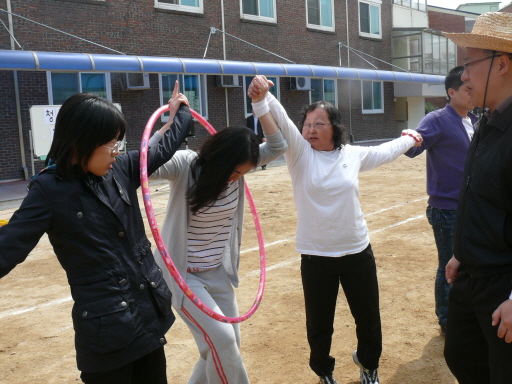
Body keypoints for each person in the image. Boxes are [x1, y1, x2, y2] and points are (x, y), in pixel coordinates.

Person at [0, 81, 193, 383]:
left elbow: (163, 146)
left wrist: (179, 112)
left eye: (120, 143)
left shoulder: (121, 169)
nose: (118, 151)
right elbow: (8, 247)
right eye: (112, 144)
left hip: (147, 320)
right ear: (82, 142)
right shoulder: (48, 190)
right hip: (107, 336)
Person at [248, 75, 422, 384]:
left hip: (357, 250)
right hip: (316, 256)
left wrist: (410, 138)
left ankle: (368, 365)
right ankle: (324, 371)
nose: (311, 129)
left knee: (368, 317)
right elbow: (283, 121)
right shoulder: (299, 154)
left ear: (335, 127)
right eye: (308, 124)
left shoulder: (351, 155)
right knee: (319, 324)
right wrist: (261, 99)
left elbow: (385, 151)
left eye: (319, 124)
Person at [149, 107, 287, 383]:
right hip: (183, 275)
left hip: (216, 273)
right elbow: (147, 165)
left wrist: (260, 106)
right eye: (234, 171)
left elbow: (277, 145)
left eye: (242, 173)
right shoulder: (187, 165)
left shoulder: (240, 168)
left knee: (227, 343)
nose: (236, 178)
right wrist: (168, 126)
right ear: (222, 157)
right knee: (222, 341)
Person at [443, 12, 512, 384]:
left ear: (502, 63)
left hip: (504, 284)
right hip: (472, 273)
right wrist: (460, 253)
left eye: (469, 63)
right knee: (461, 356)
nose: (463, 74)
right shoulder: (488, 119)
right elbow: (483, 197)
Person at [404, 65, 477, 337]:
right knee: (447, 264)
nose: (473, 94)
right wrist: (409, 139)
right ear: (451, 92)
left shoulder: (472, 120)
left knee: (466, 263)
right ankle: (446, 319)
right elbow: (414, 149)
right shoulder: (437, 119)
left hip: (469, 208)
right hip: (447, 209)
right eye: (467, 89)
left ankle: (459, 313)